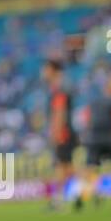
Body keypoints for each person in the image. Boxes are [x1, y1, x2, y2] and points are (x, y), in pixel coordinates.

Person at [82, 72, 111, 209]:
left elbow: (86, 120)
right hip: (109, 137)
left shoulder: (94, 102)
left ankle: (95, 191)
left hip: (94, 138)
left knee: (91, 167)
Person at [43, 59, 78, 211]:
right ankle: (88, 191)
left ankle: (58, 200)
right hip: (66, 130)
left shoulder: (59, 88)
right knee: (67, 168)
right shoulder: (61, 86)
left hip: (63, 132)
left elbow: (60, 111)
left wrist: (55, 132)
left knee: (62, 167)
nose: (43, 72)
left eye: (46, 69)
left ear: (53, 71)